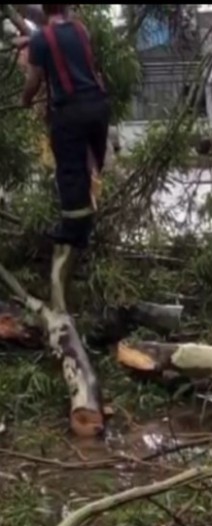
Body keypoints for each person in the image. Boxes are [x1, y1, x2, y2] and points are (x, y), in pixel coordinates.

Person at [16, 4, 110, 311]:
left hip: (70, 113)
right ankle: (85, 220)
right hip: (98, 106)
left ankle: (72, 233)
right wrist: (30, 44)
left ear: (43, 10)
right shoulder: (80, 30)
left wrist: (25, 101)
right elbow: (61, 49)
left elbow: (34, 82)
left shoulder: (43, 39)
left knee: (71, 181)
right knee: (89, 170)